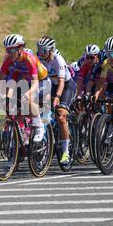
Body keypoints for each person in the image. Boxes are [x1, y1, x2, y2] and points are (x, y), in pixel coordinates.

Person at [0, 34, 49, 143]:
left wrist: (28, 94)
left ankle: (39, 126)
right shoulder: (9, 60)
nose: (9, 53)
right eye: (7, 50)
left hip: (41, 81)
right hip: (25, 81)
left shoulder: (29, 58)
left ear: (20, 48)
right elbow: (0, 81)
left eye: (12, 50)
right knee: (8, 98)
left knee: (28, 98)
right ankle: (20, 132)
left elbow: (35, 83)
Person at [37, 36, 75, 164]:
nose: (41, 53)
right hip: (50, 86)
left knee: (61, 117)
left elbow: (62, 82)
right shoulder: (39, 59)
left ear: (51, 50)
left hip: (66, 87)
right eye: (39, 50)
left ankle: (66, 152)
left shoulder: (58, 59)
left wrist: (58, 97)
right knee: (42, 112)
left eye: (44, 50)